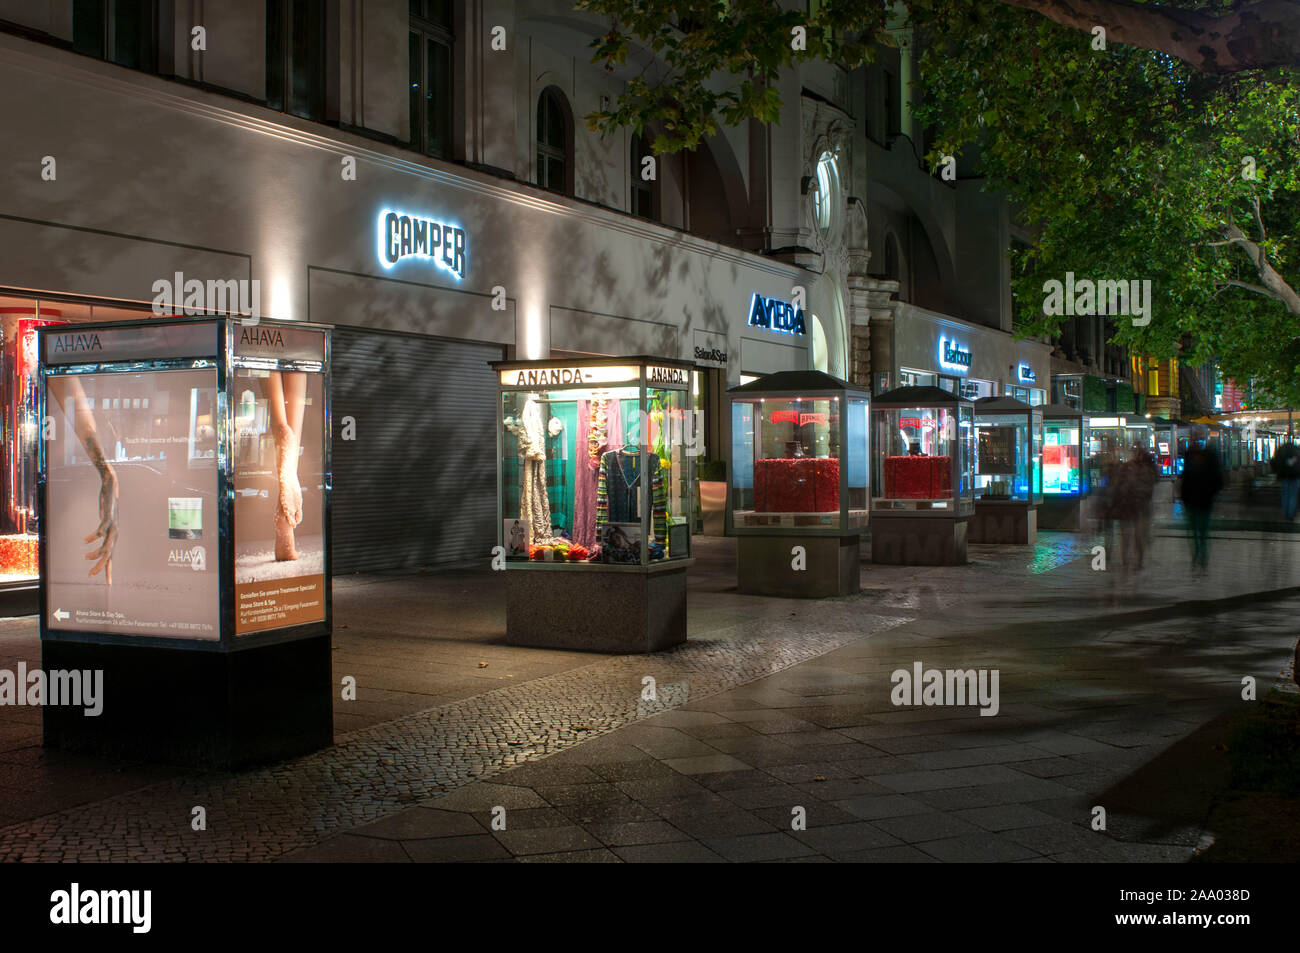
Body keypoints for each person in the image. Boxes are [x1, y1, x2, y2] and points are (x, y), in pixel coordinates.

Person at [1180, 431, 1223, 569]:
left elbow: (1185, 481)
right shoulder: (1195, 459)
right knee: (1197, 531)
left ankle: (1200, 556)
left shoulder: (1198, 460)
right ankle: (1199, 555)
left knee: (1200, 531)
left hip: (1200, 501)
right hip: (1197, 501)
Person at [1270, 439, 1300, 520]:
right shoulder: (1296, 451)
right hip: (1295, 476)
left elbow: (1274, 461)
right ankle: (1290, 514)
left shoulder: (1281, 450)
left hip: (1284, 476)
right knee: (1293, 495)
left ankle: (1286, 513)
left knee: (1285, 494)